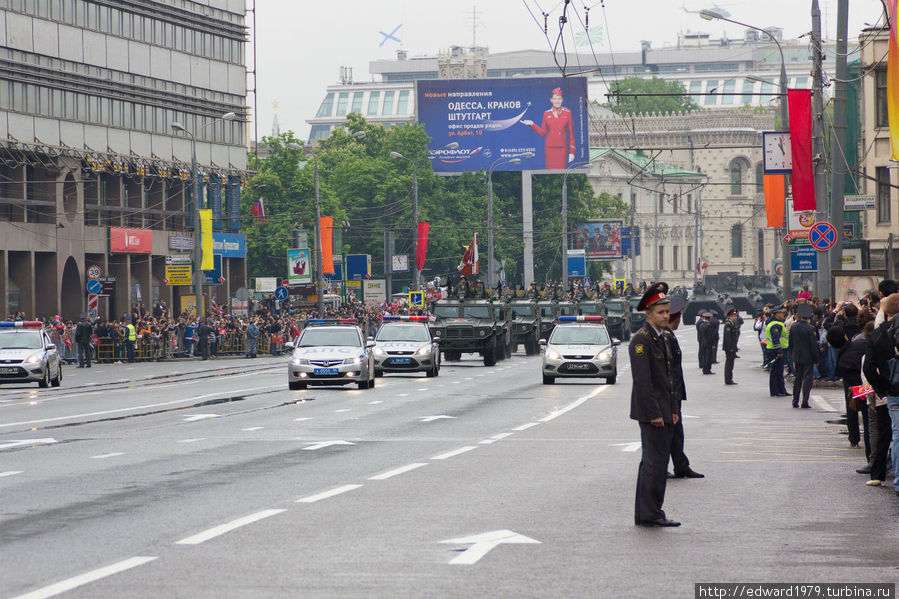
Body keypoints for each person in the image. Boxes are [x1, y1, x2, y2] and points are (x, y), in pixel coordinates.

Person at [630, 282, 681, 527]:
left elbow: (669, 379)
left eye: (666, 311)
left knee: (658, 463)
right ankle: (649, 513)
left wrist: (673, 410)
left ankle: (650, 511)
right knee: (654, 463)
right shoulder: (641, 341)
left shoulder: (663, 338)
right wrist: (655, 414)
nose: (665, 316)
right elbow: (643, 382)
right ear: (648, 314)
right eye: (660, 312)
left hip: (665, 411)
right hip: (652, 414)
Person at [862, 293, 899, 493]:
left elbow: (868, 367)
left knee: (890, 432)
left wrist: (880, 387)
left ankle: (883, 476)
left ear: (885, 311)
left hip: (891, 389)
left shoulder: (876, 334)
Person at [664, 295, 704, 479]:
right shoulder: (665, 338)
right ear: (677, 318)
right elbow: (668, 371)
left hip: (674, 393)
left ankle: (681, 466)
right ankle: (662, 467)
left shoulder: (668, 336)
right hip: (668, 395)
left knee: (676, 432)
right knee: (666, 433)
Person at [521, 87, 576, 170]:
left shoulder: (567, 112)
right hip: (550, 148)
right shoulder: (546, 114)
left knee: (561, 172)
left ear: (562, 100)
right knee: (550, 172)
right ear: (551, 100)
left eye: (559, 99)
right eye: (555, 99)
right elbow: (542, 132)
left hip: (562, 147)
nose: (557, 101)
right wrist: (532, 124)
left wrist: (572, 152)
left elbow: (572, 134)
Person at [789, 303, 819, 408]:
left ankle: (795, 400)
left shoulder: (793, 327)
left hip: (797, 356)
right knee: (807, 379)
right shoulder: (811, 329)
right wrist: (816, 359)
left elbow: (791, 343)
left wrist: (792, 355)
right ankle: (804, 401)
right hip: (808, 357)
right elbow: (814, 346)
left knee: (798, 379)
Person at [766, 305, 789, 397]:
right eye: (781, 313)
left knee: (778, 371)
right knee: (776, 372)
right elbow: (775, 339)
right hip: (776, 351)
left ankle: (781, 390)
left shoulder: (776, 323)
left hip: (775, 350)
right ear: (776, 314)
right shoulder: (775, 324)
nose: (783, 314)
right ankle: (776, 391)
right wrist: (779, 351)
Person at [722, 308, 740, 385]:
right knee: (729, 364)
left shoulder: (732, 324)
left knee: (731, 364)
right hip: (729, 348)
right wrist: (731, 348)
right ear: (730, 317)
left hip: (732, 347)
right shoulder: (728, 325)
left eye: (736, 316)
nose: (735, 317)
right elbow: (728, 338)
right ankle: (728, 379)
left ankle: (729, 378)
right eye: (734, 316)